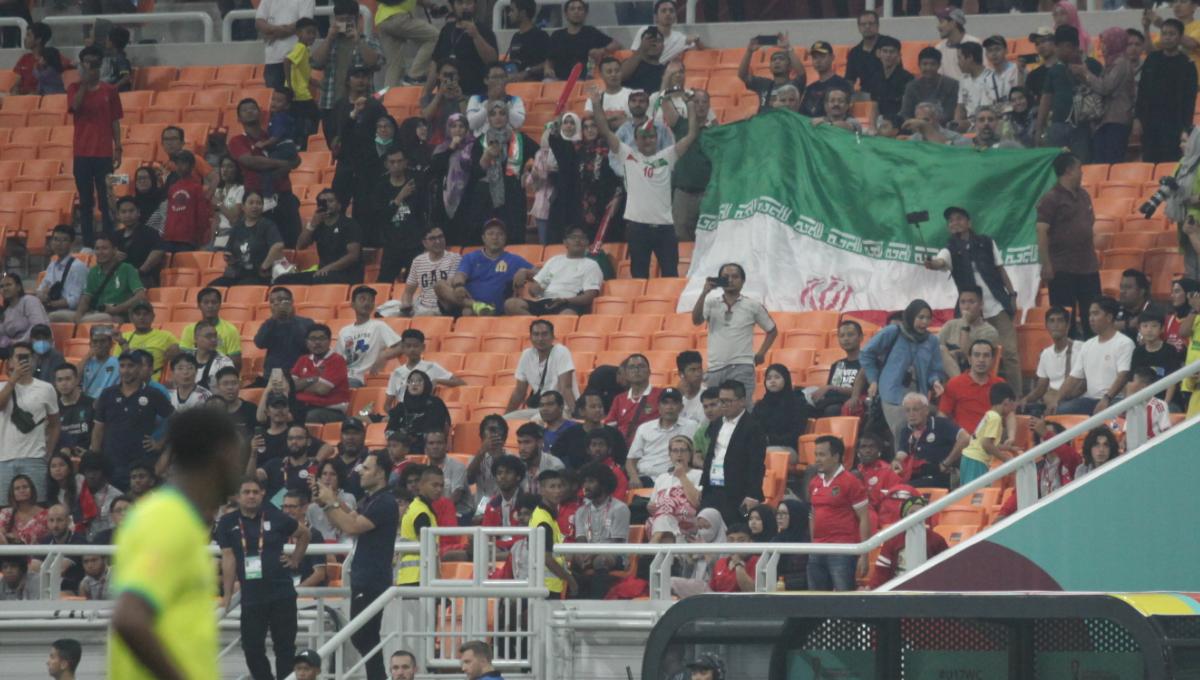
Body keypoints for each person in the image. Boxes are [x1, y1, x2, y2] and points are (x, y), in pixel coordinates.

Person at [107, 408, 243, 680]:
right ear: (223, 453)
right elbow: (130, 617)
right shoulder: (168, 519)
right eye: (240, 455)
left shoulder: (177, 518)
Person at [315, 451, 398, 680]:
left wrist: (331, 501)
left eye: (367, 468)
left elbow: (352, 526)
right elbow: (348, 518)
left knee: (364, 636)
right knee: (364, 637)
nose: (360, 472)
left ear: (381, 472)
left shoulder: (385, 501)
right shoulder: (372, 499)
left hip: (372, 577)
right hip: (365, 576)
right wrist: (326, 504)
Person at [217, 477, 309, 680]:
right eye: (246, 492)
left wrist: (295, 559)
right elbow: (228, 559)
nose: (251, 496)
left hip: (282, 593)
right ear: (238, 496)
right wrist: (228, 595)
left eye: (255, 492)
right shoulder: (227, 522)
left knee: (284, 648)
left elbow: (304, 534)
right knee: (251, 648)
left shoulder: (276, 516)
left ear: (262, 494)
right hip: (252, 597)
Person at [856, 300, 945, 442]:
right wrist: (873, 380)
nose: (925, 322)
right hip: (892, 393)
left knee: (918, 434)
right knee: (902, 429)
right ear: (911, 316)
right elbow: (866, 354)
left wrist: (935, 381)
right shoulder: (893, 332)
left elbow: (935, 369)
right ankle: (902, 463)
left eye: (928, 318)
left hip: (917, 394)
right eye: (921, 317)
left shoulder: (932, 341)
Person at [1036, 153, 1100, 338]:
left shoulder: (1084, 195)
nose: (1082, 172)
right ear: (1068, 171)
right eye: (1079, 169)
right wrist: (1046, 264)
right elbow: (1041, 230)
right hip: (1062, 267)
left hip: (1088, 265)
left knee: (1094, 314)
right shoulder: (1051, 198)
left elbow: (1090, 221)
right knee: (1065, 317)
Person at [693, 263, 777, 402]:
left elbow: (772, 330)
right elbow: (696, 321)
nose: (730, 280)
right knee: (715, 413)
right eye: (725, 277)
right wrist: (704, 292)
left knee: (743, 410)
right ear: (719, 280)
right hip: (715, 368)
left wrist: (761, 353)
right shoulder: (710, 302)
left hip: (742, 366)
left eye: (735, 276)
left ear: (743, 281)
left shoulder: (752, 305)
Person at [90, 352, 174, 490]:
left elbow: (175, 419)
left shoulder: (152, 394)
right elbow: (98, 429)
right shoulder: (108, 394)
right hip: (111, 461)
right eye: (122, 366)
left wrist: (160, 442)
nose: (126, 370)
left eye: (131, 366)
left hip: (141, 462)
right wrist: (96, 458)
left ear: (140, 368)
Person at [68, 45, 123, 248]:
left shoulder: (110, 90)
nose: (92, 67)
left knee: (106, 199)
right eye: (87, 63)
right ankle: (88, 243)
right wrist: (84, 83)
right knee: (85, 201)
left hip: (104, 153)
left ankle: (109, 239)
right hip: (81, 153)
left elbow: (115, 120)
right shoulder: (74, 88)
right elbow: (74, 107)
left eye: (95, 63)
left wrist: (118, 147)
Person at [229, 98, 302, 248]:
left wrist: (290, 163)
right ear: (238, 118)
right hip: (257, 197)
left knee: (291, 241)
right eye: (244, 110)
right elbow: (251, 161)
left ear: (261, 113)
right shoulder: (237, 140)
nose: (249, 111)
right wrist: (283, 164)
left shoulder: (273, 136)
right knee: (261, 245)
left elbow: (295, 159)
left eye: (253, 108)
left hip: (283, 194)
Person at [311, 0, 383, 144]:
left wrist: (358, 40)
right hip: (331, 105)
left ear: (357, 19)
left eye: (348, 20)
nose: (344, 24)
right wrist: (329, 37)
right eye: (340, 20)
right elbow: (315, 62)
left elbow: (375, 62)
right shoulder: (330, 42)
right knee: (335, 148)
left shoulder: (368, 40)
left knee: (361, 146)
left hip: (361, 105)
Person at [698, 381, 766, 527]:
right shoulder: (716, 423)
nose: (724, 405)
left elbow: (756, 464)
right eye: (721, 401)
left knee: (734, 529)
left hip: (738, 492)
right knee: (705, 527)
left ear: (742, 401)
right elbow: (711, 456)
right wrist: (702, 486)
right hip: (712, 488)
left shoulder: (753, 427)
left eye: (728, 401)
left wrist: (752, 495)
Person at [0, 342, 61, 504]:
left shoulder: (46, 388)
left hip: (34, 457)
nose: (22, 361)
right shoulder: (1, 386)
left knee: (37, 508)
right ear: (10, 361)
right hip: (3, 459)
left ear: (33, 360)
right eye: (18, 357)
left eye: (26, 357)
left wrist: (47, 453)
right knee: (4, 510)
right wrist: (13, 380)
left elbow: (55, 424)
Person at [806, 436, 869, 591]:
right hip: (817, 550)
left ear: (836, 457)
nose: (817, 459)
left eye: (822, 455)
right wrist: (814, 545)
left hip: (842, 550)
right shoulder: (814, 482)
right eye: (816, 455)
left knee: (842, 601)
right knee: (815, 601)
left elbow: (864, 518)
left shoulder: (851, 482)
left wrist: (864, 554)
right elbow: (813, 515)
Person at [436, 219, 535, 316]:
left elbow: (542, 274)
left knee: (467, 312)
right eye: (490, 234)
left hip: (497, 308)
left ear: (505, 238)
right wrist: (459, 286)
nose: (495, 237)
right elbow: (461, 274)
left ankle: (477, 308)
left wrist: (525, 271)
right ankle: (476, 305)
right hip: (469, 303)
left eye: (500, 234)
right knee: (440, 285)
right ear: (483, 238)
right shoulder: (471, 257)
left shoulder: (514, 260)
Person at [1056, 298, 1135, 416]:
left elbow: (1123, 375)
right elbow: (1073, 378)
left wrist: (1106, 399)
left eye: (1096, 313)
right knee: (1060, 410)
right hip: (1090, 400)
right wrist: (1056, 400)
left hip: (1115, 400)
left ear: (1109, 317)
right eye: (1090, 314)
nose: (1091, 318)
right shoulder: (1087, 345)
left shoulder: (1124, 343)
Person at [1034, 26, 1102, 163]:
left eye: (1057, 47)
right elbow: (1046, 99)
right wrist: (1039, 128)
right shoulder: (1054, 70)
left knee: (1081, 166)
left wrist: (1084, 74)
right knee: (1055, 168)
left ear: (1068, 46)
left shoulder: (1092, 65)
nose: (1055, 51)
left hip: (1083, 127)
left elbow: (1102, 90)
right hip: (1057, 126)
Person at [1137, 19, 1198, 163]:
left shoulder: (1187, 65)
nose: (1167, 37)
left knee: (1170, 164)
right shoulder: (1152, 60)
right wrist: (1137, 119)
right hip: (1150, 124)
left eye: (1172, 34)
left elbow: (1189, 102)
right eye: (1164, 33)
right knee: (1150, 162)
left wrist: (1185, 128)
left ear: (1180, 37)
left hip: (1174, 126)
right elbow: (1142, 92)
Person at [505, 227, 603, 316]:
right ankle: (536, 325)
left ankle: (542, 327)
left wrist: (565, 300)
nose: (577, 240)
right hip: (545, 301)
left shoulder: (591, 265)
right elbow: (537, 289)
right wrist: (534, 287)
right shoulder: (555, 261)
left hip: (568, 303)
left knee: (568, 315)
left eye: (582, 238)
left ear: (587, 242)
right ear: (565, 242)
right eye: (573, 237)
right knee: (511, 304)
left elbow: (589, 296)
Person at [276, 190, 364, 285]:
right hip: (323, 272)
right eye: (323, 202)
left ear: (339, 205)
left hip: (347, 273)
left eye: (330, 201)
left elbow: (353, 256)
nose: (327, 204)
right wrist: (312, 225)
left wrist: (329, 268)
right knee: (282, 280)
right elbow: (300, 246)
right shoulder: (318, 225)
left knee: (319, 280)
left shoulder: (349, 224)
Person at [570, 462, 630, 598]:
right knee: (571, 558)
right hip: (588, 553)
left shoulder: (620, 508)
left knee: (600, 560)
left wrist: (592, 554)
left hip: (615, 555)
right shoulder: (581, 511)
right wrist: (582, 555)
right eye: (584, 482)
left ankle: (597, 602)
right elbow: (581, 539)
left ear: (603, 483)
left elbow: (616, 543)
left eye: (591, 482)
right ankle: (576, 601)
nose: (586, 486)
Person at [944, 383, 1019, 486]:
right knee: (975, 495)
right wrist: (1005, 458)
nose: (1013, 409)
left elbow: (983, 441)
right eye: (1013, 404)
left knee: (968, 493)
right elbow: (986, 445)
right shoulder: (995, 418)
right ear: (1006, 402)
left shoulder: (989, 414)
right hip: (976, 460)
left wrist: (1005, 448)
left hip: (969, 457)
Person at [867, 495, 948, 588]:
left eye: (921, 512)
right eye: (912, 512)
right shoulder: (893, 539)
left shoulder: (936, 540)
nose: (917, 516)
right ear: (905, 515)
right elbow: (881, 572)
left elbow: (945, 570)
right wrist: (871, 589)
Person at [1084, 28, 1137, 165]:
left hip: (1116, 120)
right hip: (1105, 120)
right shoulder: (1110, 64)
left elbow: (1106, 87)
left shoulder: (1121, 63)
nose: (1101, 47)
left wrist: (1086, 74)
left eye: (1105, 43)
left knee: (1112, 162)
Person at [212, 191, 286, 287]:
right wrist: (229, 257)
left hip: (258, 276)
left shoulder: (267, 225)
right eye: (251, 203)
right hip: (237, 274)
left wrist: (264, 267)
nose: (255, 206)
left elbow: (278, 245)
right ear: (243, 207)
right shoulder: (237, 227)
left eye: (259, 203)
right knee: (212, 288)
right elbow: (229, 252)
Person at [627, 387, 697, 488]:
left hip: (675, 479)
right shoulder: (644, 428)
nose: (669, 407)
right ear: (658, 407)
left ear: (681, 407)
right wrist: (634, 478)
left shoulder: (692, 426)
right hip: (645, 479)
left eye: (674, 403)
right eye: (665, 403)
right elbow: (631, 460)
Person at [428, 0, 498, 97]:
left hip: (473, 94)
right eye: (460, 3)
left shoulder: (484, 30)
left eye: (469, 3)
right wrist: (426, 92)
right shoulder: (446, 29)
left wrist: (476, 35)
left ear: (474, 5)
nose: (465, 7)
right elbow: (435, 62)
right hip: (445, 95)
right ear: (453, 6)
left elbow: (492, 61)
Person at [337, 286, 403, 388]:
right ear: (352, 304)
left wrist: (383, 355)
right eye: (362, 299)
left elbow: (402, 346)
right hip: (341, 377)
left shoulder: (379, 326)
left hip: (360, 380)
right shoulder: (344, 331)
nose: (367, 303)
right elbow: (338, 359)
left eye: (371, 300)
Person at [1021, 306, 1083, 412]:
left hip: (1074, 399)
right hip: (1051, 399)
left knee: (1062, 409)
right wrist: (1025, 400)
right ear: (1047, 326)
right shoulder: (1045, 354)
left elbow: (1083, 384)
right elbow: (1040, 389)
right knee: (1026, 410)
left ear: (1068, 325)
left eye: (1060, 321)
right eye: (1052, 321)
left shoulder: (1081, 348)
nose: (1056, 325)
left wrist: (1058, 399)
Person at [384, 329, 463, 409]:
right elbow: (387, 405)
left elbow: (460, 382)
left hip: (425, 412)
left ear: (423, 347)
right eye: (408, 346)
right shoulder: (397, 373)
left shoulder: (432, 367)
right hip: (404, 413)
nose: (412, 349)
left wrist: (438, 380)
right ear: (403, 348)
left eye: (416, 346)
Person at [546, 0, 619, 81]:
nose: (576, 11)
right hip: (558, 80)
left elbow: (616, 44)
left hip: (583, 80)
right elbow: (549, 59)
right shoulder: (557, 35)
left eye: (580, 9)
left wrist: (602, 51)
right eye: (572, 9)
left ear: (585, 13)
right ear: (566, 14)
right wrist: (548, 69)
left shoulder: (591, 32)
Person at [291, 324, 351, 423]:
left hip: (329, 410)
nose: (317, 342)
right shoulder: (303, 360)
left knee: (307, 417)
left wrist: (301, 386)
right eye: (313, 339)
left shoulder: (337, 360)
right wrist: (314, 379)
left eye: (322, 338)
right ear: (307, 342)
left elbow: (322, 390)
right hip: (302, 406)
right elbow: (291, 386)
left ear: (329, 341)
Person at [255, 287, 316, 385]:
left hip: (299, 374)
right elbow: (260, 343)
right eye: (272, 302)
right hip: (275, 374)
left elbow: (308, 346)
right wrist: (274, 319)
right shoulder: (269, 324)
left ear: (291, 302)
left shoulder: (306, 323)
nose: (276, 304)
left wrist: (290, 319)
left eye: (280, 300)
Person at [552, 391, 627, 469]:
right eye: (593, 407)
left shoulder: (614, 434)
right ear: (582, 411)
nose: (598, 410)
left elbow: (623, 461)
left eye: (600, 407)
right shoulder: (570, 433)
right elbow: (554, 455)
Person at [605, 354, 664, 447]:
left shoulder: (661, 395)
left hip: (651, 448)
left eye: (641, 366)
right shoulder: (619, 399)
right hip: (624, 449)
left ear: (649, 372)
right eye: (632, 367)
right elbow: (609, 425)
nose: (636, 370)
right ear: (626, 374)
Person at [400, 227, 462, 315]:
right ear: (424, 243)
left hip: (442, 307)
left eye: (441, 237)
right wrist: (406, 305)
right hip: (421, 306)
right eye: (433, 238)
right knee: (389, 307)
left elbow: (449, 287)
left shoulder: (455, 258)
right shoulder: (418, 261)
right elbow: (408, 293)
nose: (438, 241)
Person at [255, 0, 315, 89]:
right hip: (272, 60)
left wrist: (274, 33)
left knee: (296, 99)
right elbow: (259, 21)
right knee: (275, 99)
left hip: (296, 61)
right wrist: (276, 30)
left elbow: (304, 22)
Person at [110, 197, 166, 290]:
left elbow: (158, 251)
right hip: (118, 278)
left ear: (138, 212)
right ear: (118, 215)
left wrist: (140, 271)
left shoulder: (150, 233)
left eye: (131, 211)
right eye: (123, 212)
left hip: (143, 279)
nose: (128, 215)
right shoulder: (115, 236)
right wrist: (112, 256)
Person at [753, 364, 810, 456]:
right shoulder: (760, 405)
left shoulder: (797, 403)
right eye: (769, 378)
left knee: (761, 453)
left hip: (789, 448)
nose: (772, 381)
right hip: (762, 446)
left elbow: (796, 434)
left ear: (786, 379)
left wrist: (770, 439)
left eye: (777, 377)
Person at [115, 301, 179, 378]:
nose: (141, 317)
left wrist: (177, 350)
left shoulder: (166, 336)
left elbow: (180, 356)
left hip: (153, 383)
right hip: (128, 381)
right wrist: (123, 344)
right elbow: (117, 364)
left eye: (145, 314)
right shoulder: (123, 338)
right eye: (138, 314)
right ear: (131, 318)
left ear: (153, 317)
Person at [38, 226, 88, 323]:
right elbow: (41, 288)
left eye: (64, 240)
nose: (59, 244)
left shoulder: (77, 267)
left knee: (47, 317)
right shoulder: (52, 264)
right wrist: (42, 295)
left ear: (72, 243)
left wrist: (51, 304)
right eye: (56, 240)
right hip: (51, 306)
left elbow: (75, 300)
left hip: (70, 310)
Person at [1132, 312, 1183, 406]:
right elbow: (1134, 381)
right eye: (1145, 326)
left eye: (1154, 326)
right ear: (1139, 329)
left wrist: (1164, 405)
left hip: (1168, 401)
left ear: (1162, 329)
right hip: (1143, 401)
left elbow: (1172, 381)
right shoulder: (1138, 352)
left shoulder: (1170, 350)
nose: (1149, 330)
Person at [466, 63, 528, 136]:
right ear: (486, 80)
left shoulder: (515, 99)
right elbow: (472, 125)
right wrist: (491, 102)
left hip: (507, 141)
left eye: (502, 77)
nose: (499, 81)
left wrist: (502, 102)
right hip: (481, 141)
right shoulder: (475, 99)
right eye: (495, 77)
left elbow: (518, 124)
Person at [900, 47, 959, 123]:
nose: (928, 68)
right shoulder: (911, 86)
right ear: (919, 65)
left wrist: (928, 124)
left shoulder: (952, 85)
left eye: (932, 64)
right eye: (925, 64)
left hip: (942, 128)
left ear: (939, 65)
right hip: (916, 127)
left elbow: (949, 114)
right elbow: (905, 113)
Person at [952, 42, 1001, 131]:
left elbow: (988, 111)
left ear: (970, 58)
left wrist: (969, 124)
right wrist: (956, 123)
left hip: (986, 123)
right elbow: (960, 106)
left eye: (959, 58)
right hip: (968, 125)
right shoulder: (964, 78)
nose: (958, 63)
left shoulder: (991, 78)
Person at [631, 0, 697, 64]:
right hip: (644, 70)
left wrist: (697, 40)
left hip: (665, 72)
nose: (668, 14)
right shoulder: (645, 30)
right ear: (656, 17)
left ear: (675, 16)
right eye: (663, 11)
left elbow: (700, 50)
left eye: (671, 11)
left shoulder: (680, 38)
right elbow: (635, 54)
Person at [798, 41, 852, 118]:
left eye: (822, 56)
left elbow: (843, 112)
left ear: (832, 57)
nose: (818, 61)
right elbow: (802, 113)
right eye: (815, 57)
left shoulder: (842, 84)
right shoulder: (810, 88)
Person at [0, 273, 49, 357]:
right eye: (1, 286)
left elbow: (38, 326)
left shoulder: (30, 301)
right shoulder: (6, 311)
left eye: (8, 285)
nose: (4, 289)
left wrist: (17, 342)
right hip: (13, 349)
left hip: (36, 347)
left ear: (18, 287)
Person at [1117, 270, 1168, 343]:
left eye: (1128, 287)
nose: (1122, 291)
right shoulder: (1115, 308)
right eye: (1121, 287)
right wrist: (1128, 324)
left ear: (1141, 291)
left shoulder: (1155, 311)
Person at [933, 8, 979, 82]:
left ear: (953, 23)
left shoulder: (975, 44)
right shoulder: (939, 48)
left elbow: (981, 74)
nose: (938, 26)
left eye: (941, 22)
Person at [0, 474, 48, 542]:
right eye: (17, 488)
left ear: (32, 490)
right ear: (12, 493)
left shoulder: (46, 514)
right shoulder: (6, 513)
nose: (21, 490)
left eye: (25, 487)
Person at [620, 26, 668, 94]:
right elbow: (620, 76)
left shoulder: (667, 70)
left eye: (658, 41)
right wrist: (641, 49)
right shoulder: (631, 64)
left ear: (663, 47)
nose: (653, 44)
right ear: (641, 43)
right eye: (649, 40)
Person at [10, 22, 51, 95]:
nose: (25, 38)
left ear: (38, 39)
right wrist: (15, 90)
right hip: (22, 99)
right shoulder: (24, 58)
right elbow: (15, 83)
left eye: (28, 35)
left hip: (40, 98)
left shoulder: (52, 57)